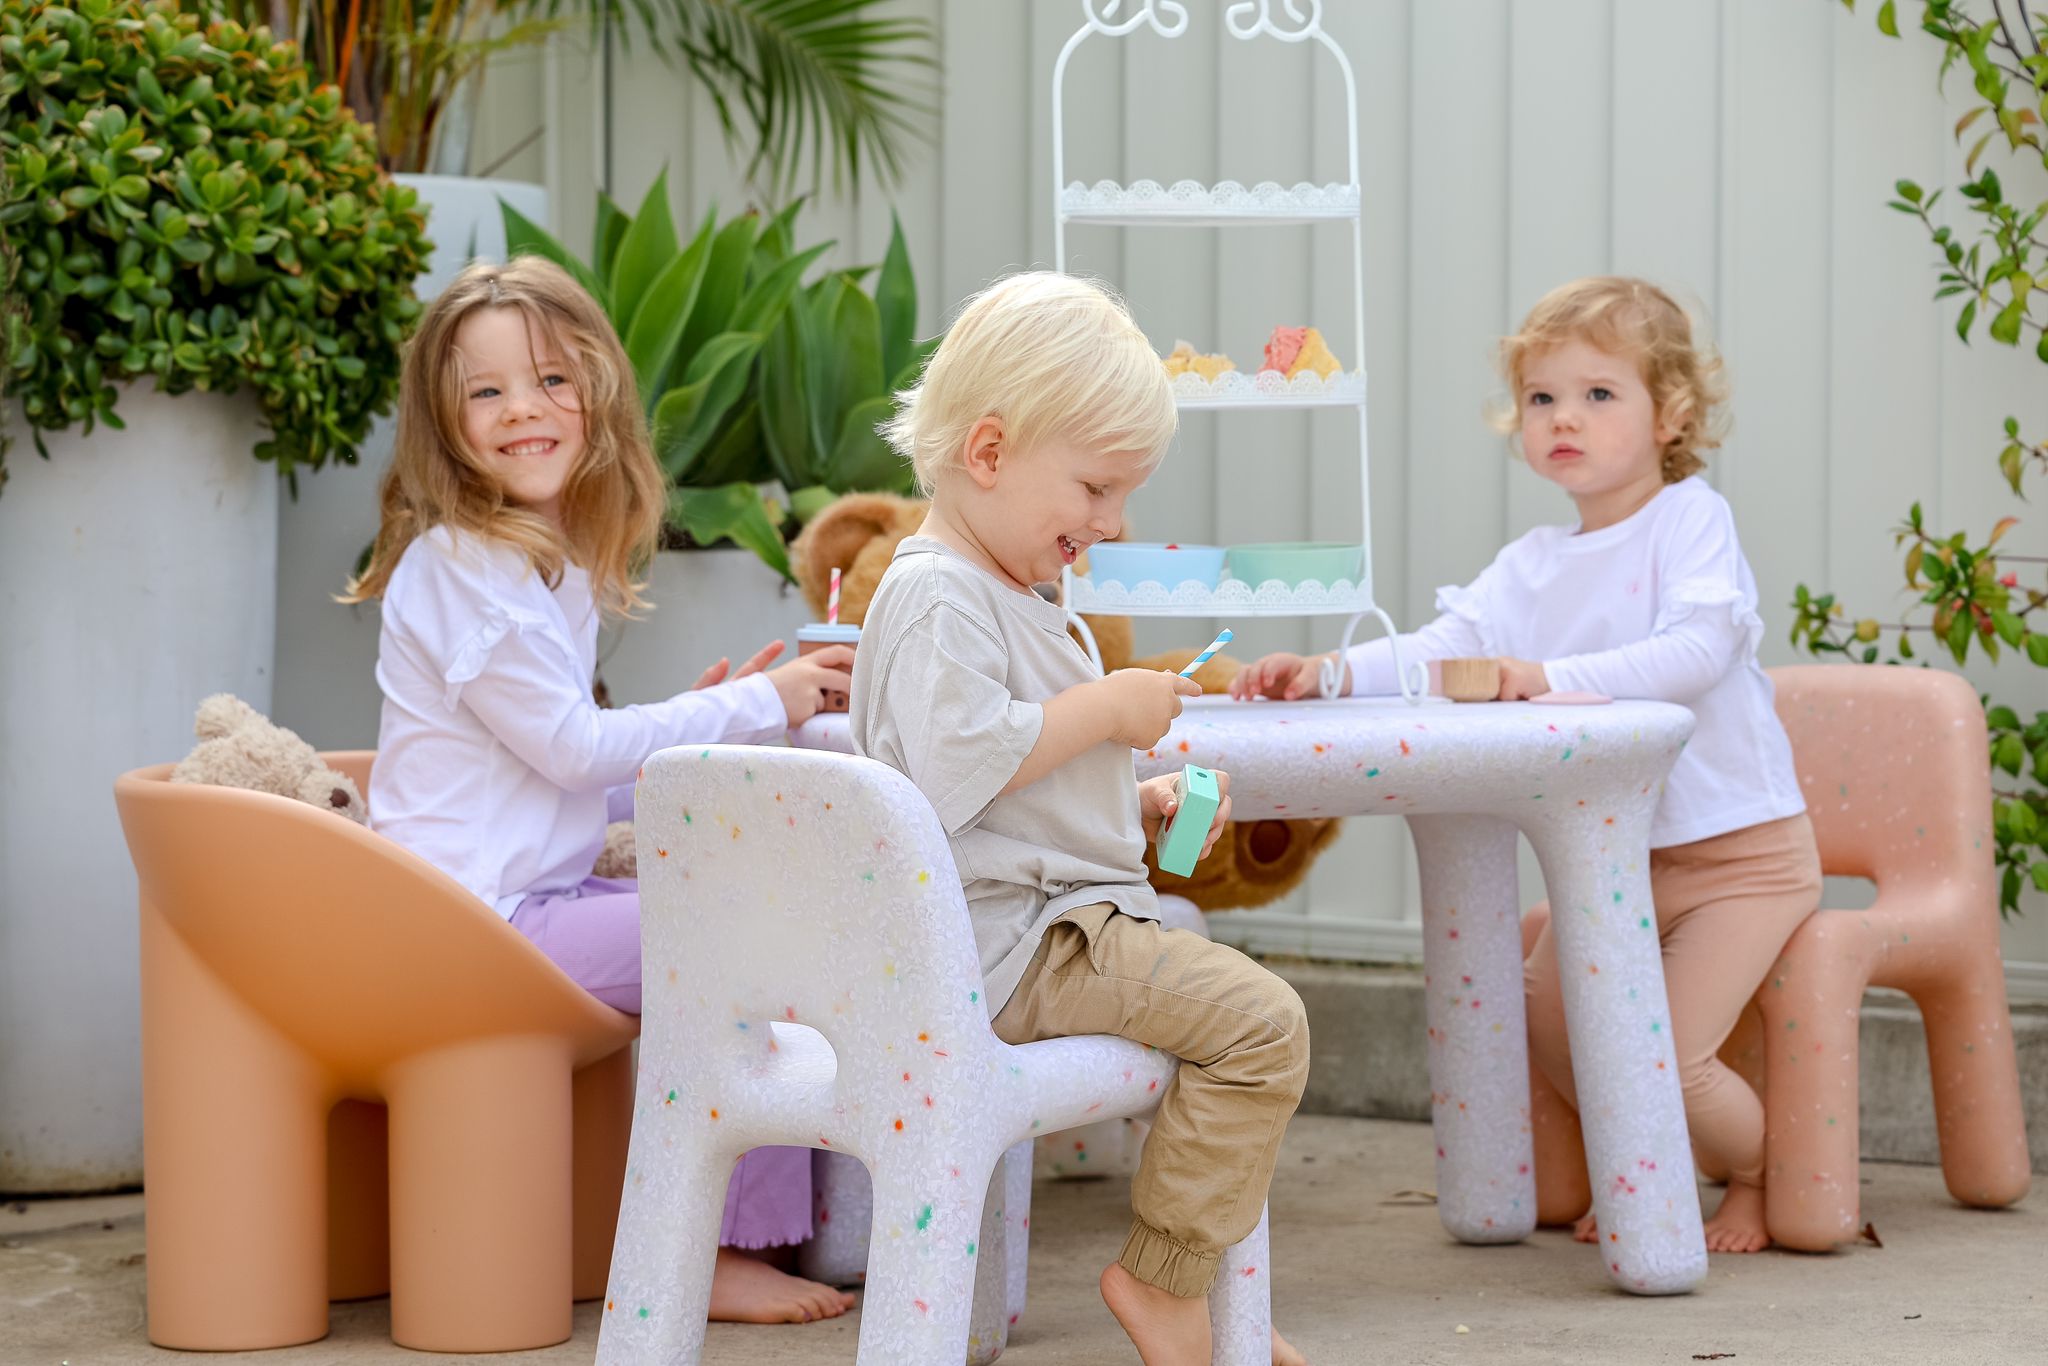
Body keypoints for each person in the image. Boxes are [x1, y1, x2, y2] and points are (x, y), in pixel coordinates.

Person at [1230, 276, 1819, 1253]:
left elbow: (1694, 653)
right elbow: (1441, 646)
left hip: (1737, 858)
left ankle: (1750, 1177)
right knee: (1554, 1031)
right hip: (1615, 860)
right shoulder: (1531, 563)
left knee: (1657, 1056)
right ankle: (1643, 1168)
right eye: (1542, 398)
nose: (1562, 420)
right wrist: (1323, 673)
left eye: (1597, 394)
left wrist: (1537, 677)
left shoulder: (1688, 523)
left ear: (1668, 413)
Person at [344, 255, 856, 1319]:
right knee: (735, 945)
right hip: (476, 920)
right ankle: (716, 1249)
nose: (523, 410)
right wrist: (764, 702)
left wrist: (678, 744)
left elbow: (555, 776)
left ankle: (729, 1225)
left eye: (550, 382)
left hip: (525, 901)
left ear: (597, 396)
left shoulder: (542, 563)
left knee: (754, 918)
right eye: (485, 392)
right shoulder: (460, 570)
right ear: (444, 425)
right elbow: (576, 751)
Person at [854, 270, 1312, 1362]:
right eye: (1097, 489)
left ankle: (1214, 1301)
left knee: (1234, 1011)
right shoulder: (936, 596)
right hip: (1013, 945)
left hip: (1041, 923)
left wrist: (1132, 796)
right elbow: (961, 763)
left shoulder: (1005, 588)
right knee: (1261, 1025)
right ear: (990, 452)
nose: (1114, 522)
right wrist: (1109, 707)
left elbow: (1009, 773)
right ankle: (1166, 1284)